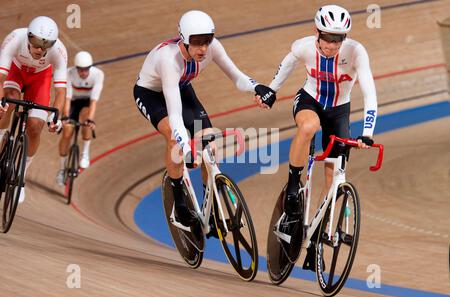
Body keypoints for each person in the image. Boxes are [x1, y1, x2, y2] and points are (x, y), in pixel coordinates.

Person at [133, 10, 275, 228]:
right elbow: (174, 115)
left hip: (181, 88)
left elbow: (236, 76)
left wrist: (257, 87)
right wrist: (186, 148)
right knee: (174, 138)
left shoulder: (212, 47)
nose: (203, 48)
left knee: (209, 143)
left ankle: (212, 206)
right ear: (184, 40)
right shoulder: (168, 60)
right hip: (152, 94)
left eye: (207, 41)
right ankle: (180, 202)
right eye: (197, 43)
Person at [262, 5, 378, 270]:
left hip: (339, 112)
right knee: (308, 127)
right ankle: (293, 185)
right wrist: (270, 90)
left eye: (338, 39)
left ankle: (316, 238)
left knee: (335, 179)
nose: (332, 45)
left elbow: (370, 92)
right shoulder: (304, 46)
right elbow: (286, 65)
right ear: (317, 32)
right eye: (327, 38)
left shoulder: (356, 52)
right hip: (309, 101)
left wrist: (368, 133)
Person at [0, 16, 66, 203]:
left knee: (35, 127)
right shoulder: (15, 38)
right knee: (10, 100)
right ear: (28, 37)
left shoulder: (59, 51)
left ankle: (21, 175)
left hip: (40, 78)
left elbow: (61, 91)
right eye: (36, 43)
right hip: (16, 70)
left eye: (45, 45)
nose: (39, 49)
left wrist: (56, 117)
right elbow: (0, 78)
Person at [56, 51, 104, 186]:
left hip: (87, 103)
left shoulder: (98, 74)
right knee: (66, 132)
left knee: (86, 120)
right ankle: (62, 168)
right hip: (72, 102)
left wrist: (91, 119)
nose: (83, 73)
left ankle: (85, 153)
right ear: (76, 68)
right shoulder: (68, 73)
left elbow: (94, 101)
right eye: (80, 70)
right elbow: (67, 97)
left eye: (86, 69)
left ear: (90, 67)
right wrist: (65, 116)